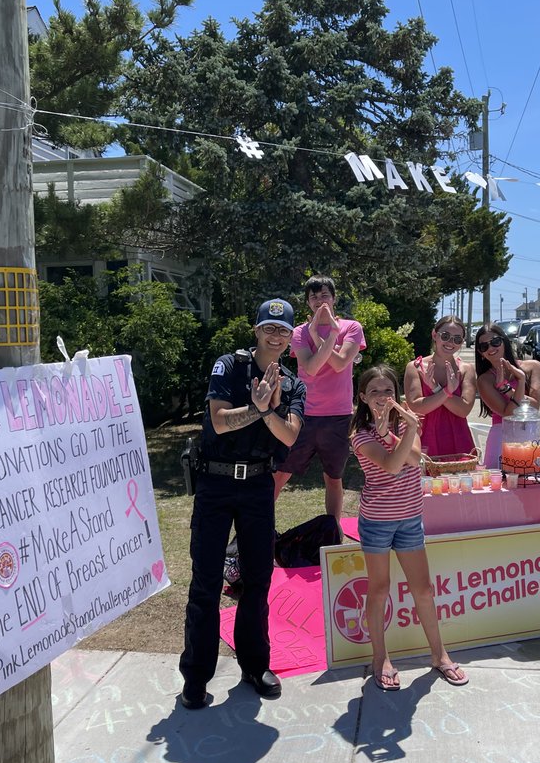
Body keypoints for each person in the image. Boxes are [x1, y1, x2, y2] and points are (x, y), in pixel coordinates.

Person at [179, 299, 306, 710]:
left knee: (257, 580)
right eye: (268, 327)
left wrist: (267, 408)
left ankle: (255, 665)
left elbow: (289, 437)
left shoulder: (293, 383)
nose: (275, 335)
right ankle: (196, 677)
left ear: (290, 338)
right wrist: (259, 408)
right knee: (206, 583)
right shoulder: (228, 367)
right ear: (256, 330)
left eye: (283, 330)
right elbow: (218, 420)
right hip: (216, 483)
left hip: (256, 487)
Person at [350, 364, 468, 691]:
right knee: (379, 589)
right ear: (362, 396)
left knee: (424, 590)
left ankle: (439, 654)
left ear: (396, 395)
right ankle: (380, 658)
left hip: (410, 519)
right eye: (374, 391)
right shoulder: (359, 434)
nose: (382, 397)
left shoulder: (404, 425)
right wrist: (396, 433)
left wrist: (401, 430)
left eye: (388, 391)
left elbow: (416, 461)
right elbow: (391, 465)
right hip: (376, 522)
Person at [274, 276, 366, 521]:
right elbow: (311, 368)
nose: (319, 301)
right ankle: (257, 527)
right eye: (313, 297)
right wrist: (315, 332)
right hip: (302, 415)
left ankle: (332, 531)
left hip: (338, 416)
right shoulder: (299, 332)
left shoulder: (351, 328)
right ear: (307, 302)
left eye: (324, 295)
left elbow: (339, 364)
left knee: (334, 478)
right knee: (280, 474)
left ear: (334, 298)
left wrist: (321, 335)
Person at [403, 315, 476, 458]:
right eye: (446, 335)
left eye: (457, 339)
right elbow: (417, 407)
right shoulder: (415, 367)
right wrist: (448, 391)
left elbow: (463, 410)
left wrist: (436, 388)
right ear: (434, 335)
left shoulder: (466, 369)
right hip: (424, 439)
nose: (450, 342)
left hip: (459, 441)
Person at [474, 323, 540, 470]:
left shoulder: (533, 367)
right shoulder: (485, 380)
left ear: (504, 341)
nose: (491, 348)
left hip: (530, 434)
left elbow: (535, 406)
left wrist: (507, 388)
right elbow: (508, 414)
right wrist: (517, 385)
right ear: (480, 353)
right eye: (484, 346)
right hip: (501, 436)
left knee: (534, 487)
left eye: (495, 342)